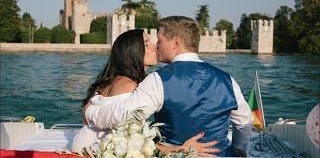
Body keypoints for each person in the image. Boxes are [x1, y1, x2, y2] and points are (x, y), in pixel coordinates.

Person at [85, 17, 254, 157]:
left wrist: (90, 112)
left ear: (175, 43)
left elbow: (124, 116)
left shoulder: (158, 80)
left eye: (160, 40)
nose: (157, 45)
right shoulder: (228, 80)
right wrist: (238, 151)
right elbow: (244, 122)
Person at [72, 29, 218, 156]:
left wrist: (89, 113)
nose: (154, 46)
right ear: (133, 53)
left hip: (81, 147)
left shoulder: (109, 82)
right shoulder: (132, 86)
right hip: (95, 153)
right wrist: (181, 149)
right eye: (147, 44)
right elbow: (134, 141)